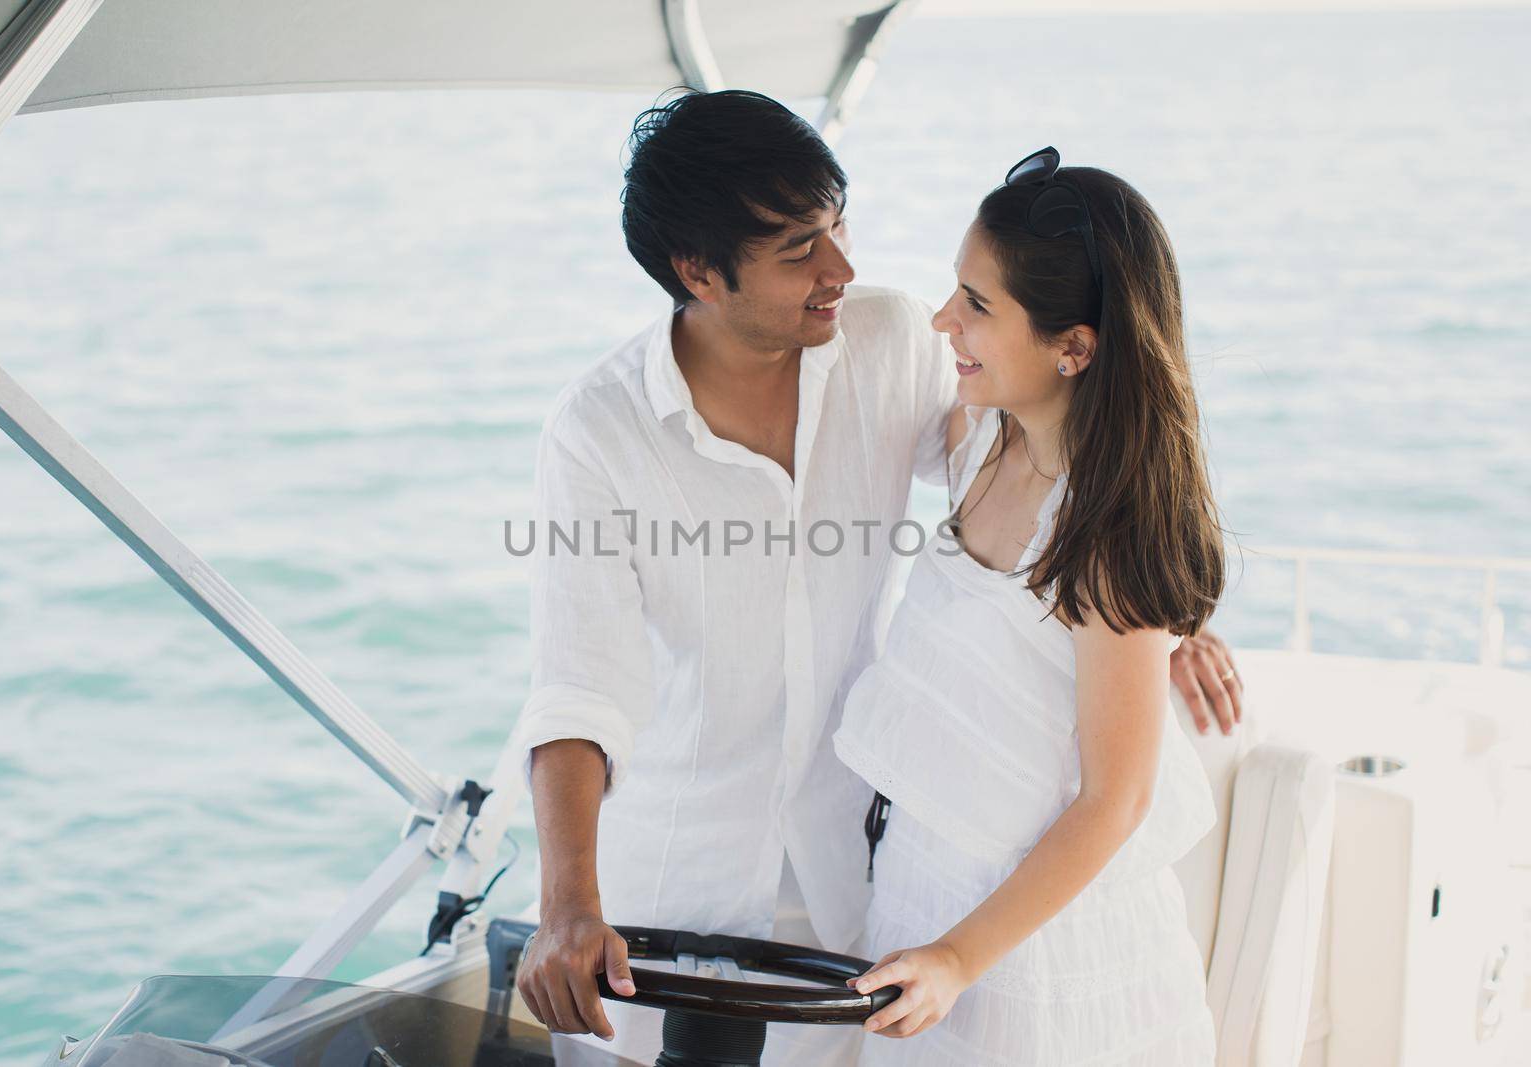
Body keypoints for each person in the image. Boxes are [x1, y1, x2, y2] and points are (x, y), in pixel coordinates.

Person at [508, 93, 1240, 1066]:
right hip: (665, 890)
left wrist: (1168, 609)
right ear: (699, 272)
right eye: (800, 248)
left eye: (837, 224)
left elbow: (1047, 435)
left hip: (853, 885)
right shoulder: (598, 431)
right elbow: (579, 686)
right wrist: (568, 906)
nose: (841, 269)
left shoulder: (889, 339)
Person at [834, 148, 1225, 1065]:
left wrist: (958, 957)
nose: (942, 321)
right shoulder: (981, 438)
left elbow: (1114, 800)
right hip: (924, 884)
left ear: (1074, 347)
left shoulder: (1110, 532)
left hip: (1031, 941)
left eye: (976, 303)